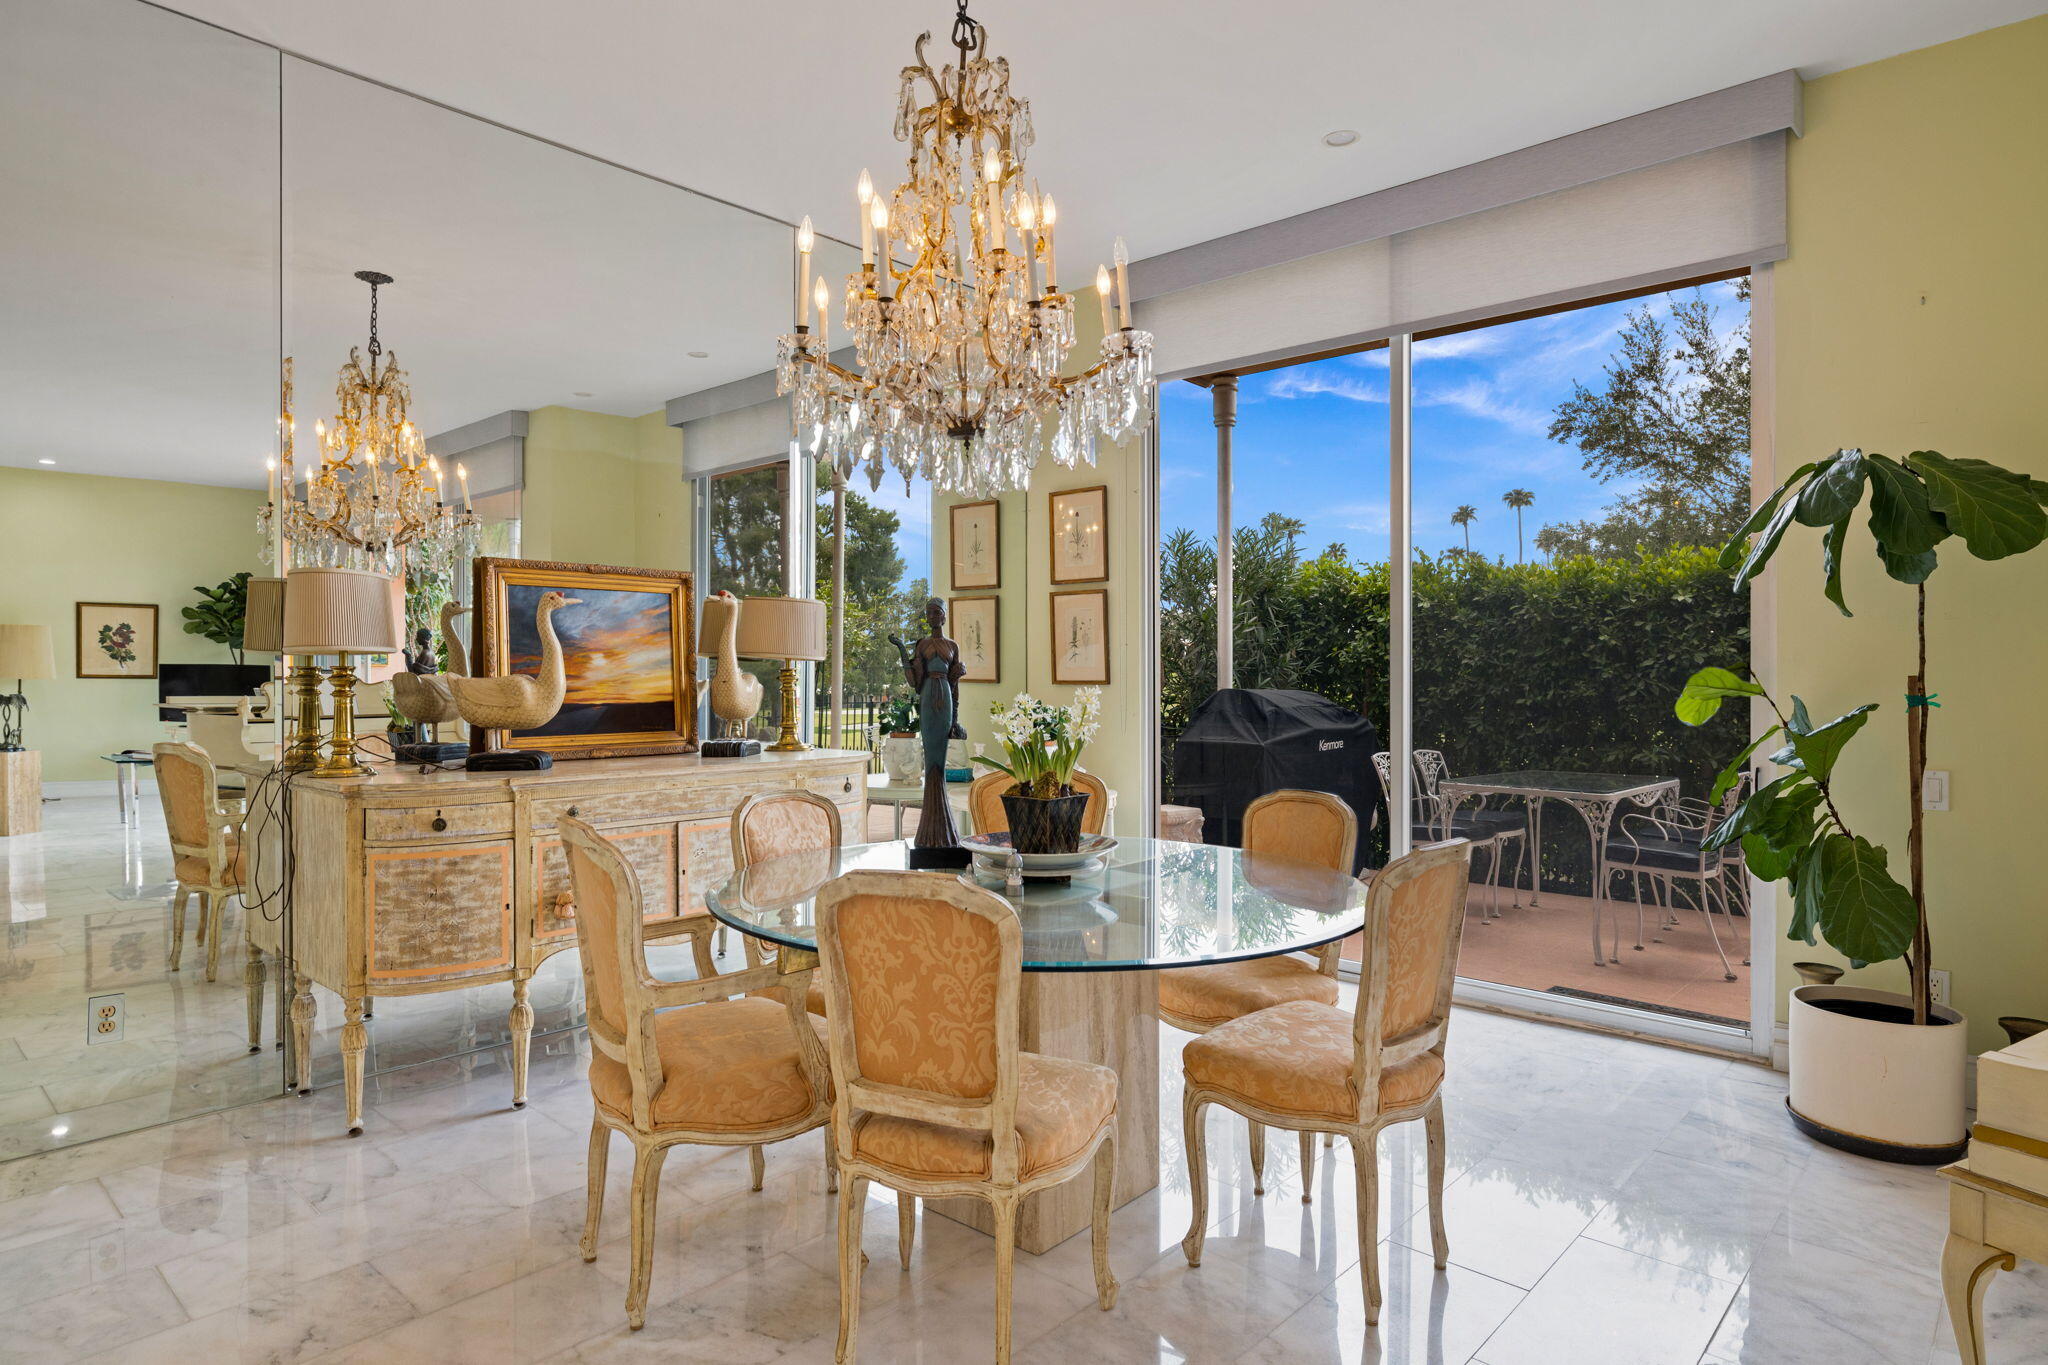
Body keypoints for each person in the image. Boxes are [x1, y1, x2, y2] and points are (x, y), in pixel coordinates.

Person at [901, 598, 967, 850]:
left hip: (946, 698)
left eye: (936, 612)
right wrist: (904, 658)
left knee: (941, 753)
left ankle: (943, 829)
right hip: (928, 695)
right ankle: (931, 829)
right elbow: (914, 682)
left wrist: (956, 720)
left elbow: (955, 685)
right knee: (931, 757)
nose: (932, 616)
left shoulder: (952, 645)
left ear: (944, 616)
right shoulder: (922, 645)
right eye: (928, 612)